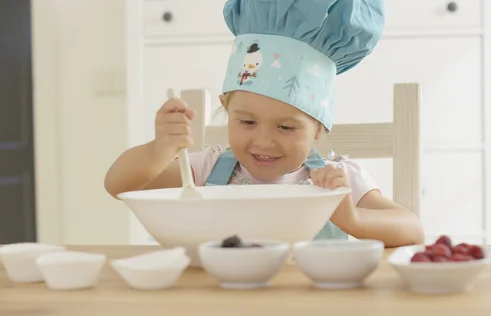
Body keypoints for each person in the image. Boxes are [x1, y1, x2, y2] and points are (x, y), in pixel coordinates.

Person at [104, 0, 424, 247]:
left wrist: (351, 218)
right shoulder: (207, 169)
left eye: (285, 127)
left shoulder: (334, 179)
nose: (264, 141)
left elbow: (412, 228)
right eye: (246, 121)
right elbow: (121, 187)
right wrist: (160, 149)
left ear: (319, 128)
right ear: (225, 110)